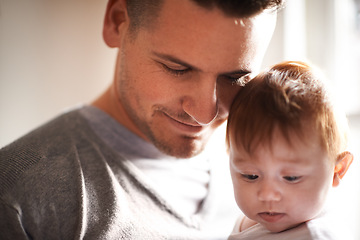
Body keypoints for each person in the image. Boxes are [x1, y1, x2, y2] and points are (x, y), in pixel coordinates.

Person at [0, 0, 285, 239]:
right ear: (117, 21)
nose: (205, 113)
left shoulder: (278, 176)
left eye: (235, 78)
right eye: (177, 69)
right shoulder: (18, 195)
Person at [226, 61, 354, 240]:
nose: (267, 194)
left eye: (291, 177)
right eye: (250, 176)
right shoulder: (251, 219)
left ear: (336, 170)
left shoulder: (316, 235)